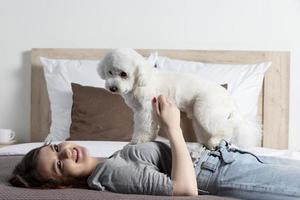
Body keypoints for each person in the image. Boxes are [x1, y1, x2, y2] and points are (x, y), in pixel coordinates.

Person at [9, 95, 300, 200]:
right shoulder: (110, 174)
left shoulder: (110, 161)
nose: (66, 153)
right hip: (219, 172)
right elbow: (185, 189)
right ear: (61, 185)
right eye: (59, 164)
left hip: (227, 159)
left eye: (58, 147)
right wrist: (172, 126)